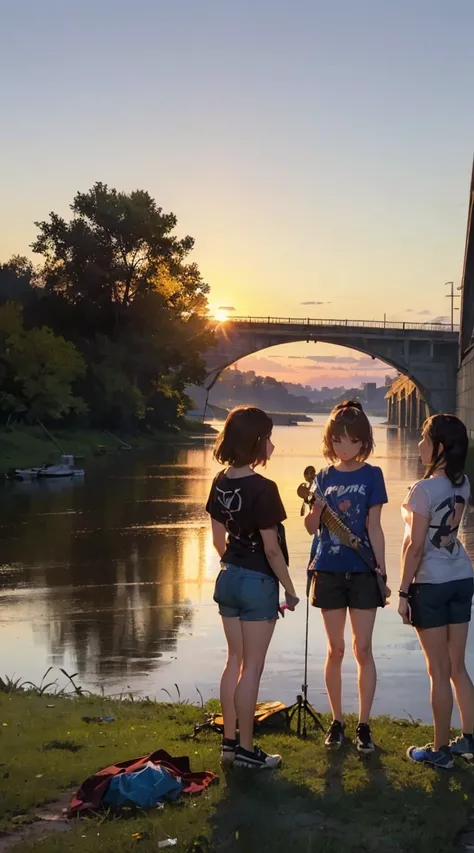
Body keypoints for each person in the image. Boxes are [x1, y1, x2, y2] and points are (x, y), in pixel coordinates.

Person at [206, 406, 299, 770]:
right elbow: (272, 548)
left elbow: (217, 539)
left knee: (233, 662)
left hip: (228, 578)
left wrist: (234, 563)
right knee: (253, 667)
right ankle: (247, 750)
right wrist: (289, 589)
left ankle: (229, 744)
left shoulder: (219, 481)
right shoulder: (264, 488)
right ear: (257, 442)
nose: (273, 444)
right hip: (258, 582)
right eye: (269, 437)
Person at [304, 401, 388, 753]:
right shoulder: (322, 478)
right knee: (336, 649)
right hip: (329, 569)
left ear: (363, 442)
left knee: (362, 648)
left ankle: (363, 725)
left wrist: (381, 571)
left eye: (352, 440)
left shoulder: (372, 475)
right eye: (338, 440)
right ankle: (337, 722)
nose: (344, 447)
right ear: (330, 441)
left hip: (363, 571)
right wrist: (319, 509)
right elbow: (310, 527)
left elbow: (375, 527)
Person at [398, 414, 474, 769]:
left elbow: (415, 547)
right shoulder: (464, 484)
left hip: (430, 583)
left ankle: (440, 751)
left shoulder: (423, 490)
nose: (419, 444)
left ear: (440, 447)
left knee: (438, 671)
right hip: (461, 576)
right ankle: (469, 739)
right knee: (457, 666)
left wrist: (402, 592)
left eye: (425, 438)